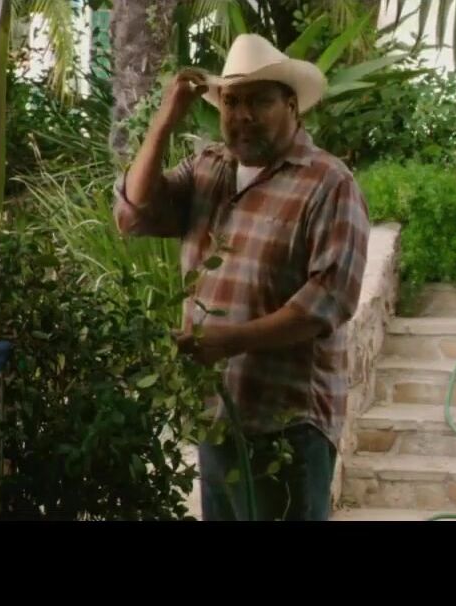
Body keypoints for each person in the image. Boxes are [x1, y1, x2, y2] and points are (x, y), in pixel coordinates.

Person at [112, 34, 370, 521]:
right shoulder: (208, 168)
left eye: (260, 101)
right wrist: (166, 119)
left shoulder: (328, 183)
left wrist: (229, 341)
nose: (243, 115)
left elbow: (328, 301)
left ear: (292, 106)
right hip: (216, 416)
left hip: (288, 426)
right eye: (232, 102)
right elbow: (133, 214)